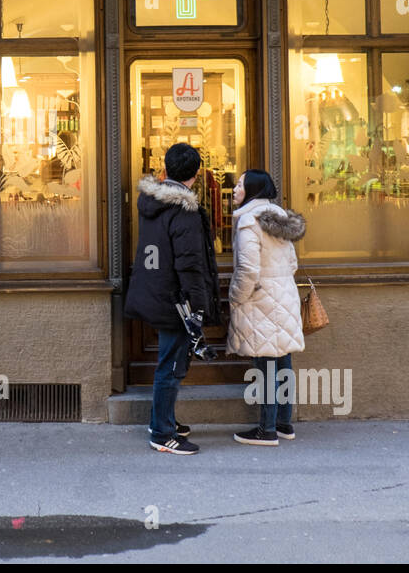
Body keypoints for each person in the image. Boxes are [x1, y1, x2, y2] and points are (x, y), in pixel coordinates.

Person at [124, 143, 221, 455]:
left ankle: (162, 421)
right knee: (172, 365)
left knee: (169, 361)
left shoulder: (153, 202)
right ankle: (162, 433)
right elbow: (189, 264)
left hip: (156, 292)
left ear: (165, 170)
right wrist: (198, 307)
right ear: (197, 175)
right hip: (176, 299)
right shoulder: (183, 211)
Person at [226, 169, 307, 447]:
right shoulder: (279, 217)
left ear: (253, 190)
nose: (235, 189)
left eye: (239, 185)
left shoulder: (249, 221)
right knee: (283, 360)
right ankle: (284, 424)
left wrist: (236, 296)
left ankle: (266, 430)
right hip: (284, 294)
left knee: (265, 365)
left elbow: (248, 269)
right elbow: (293, 264)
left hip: (260, 298)